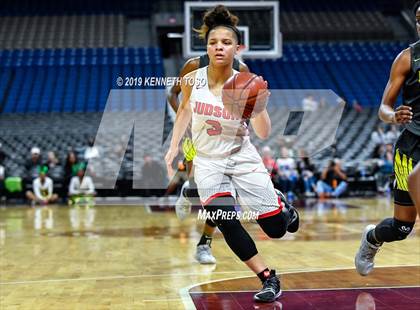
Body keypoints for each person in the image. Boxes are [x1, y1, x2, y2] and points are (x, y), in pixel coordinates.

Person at [164, 5, 299, 303]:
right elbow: (182, 104)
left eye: (226, 42)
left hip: (240, 154)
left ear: (237, 47)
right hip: (207, 159)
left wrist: (259, 106)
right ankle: (268, 277)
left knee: (276, 229)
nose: (219, 47)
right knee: (225, 217)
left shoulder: (244, 76)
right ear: (206, 46)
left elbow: (262, 129)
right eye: (213, 42)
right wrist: (178, 142)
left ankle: (280, 204)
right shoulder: (191, 70)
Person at [166, 5, 250, 265]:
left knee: (222, 197)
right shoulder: (193, 66)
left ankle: (204, 243)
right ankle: (188, 191)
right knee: (199, 187)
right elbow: (173, 94)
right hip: (196, 136)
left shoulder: (242, 70)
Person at [355, 2, 420, 276]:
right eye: (419, 19)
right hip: (412, 144)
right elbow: (383, 108)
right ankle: (372, 238)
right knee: (402, 227)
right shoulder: (407, 58)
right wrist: (394, 116)